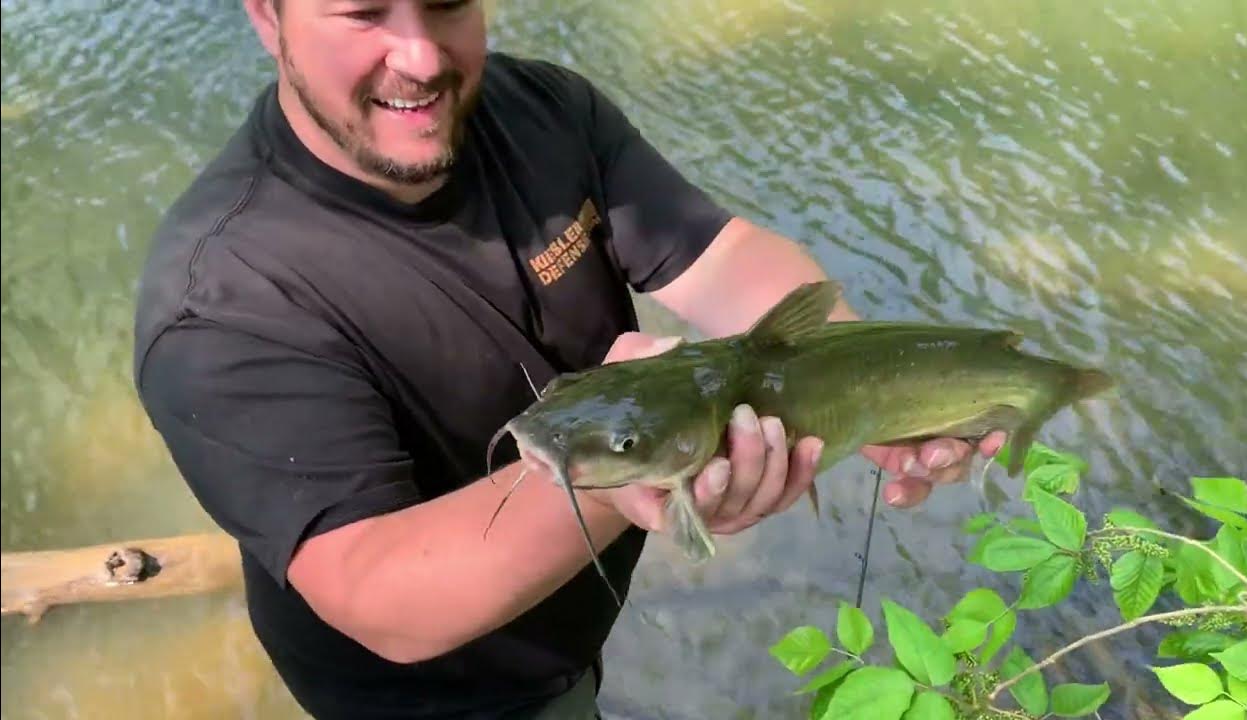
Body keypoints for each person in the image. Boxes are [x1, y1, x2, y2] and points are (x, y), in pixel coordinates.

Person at [132, 1, 1004, 718]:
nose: (421, 57)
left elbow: (723, 257)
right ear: (266, 17)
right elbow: (379, 596)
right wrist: (632, 477)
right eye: (362, 14)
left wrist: (868, 390)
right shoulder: (223, 301)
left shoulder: (539, 109)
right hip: (441, 699)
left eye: (447, 6)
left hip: (576, 629)